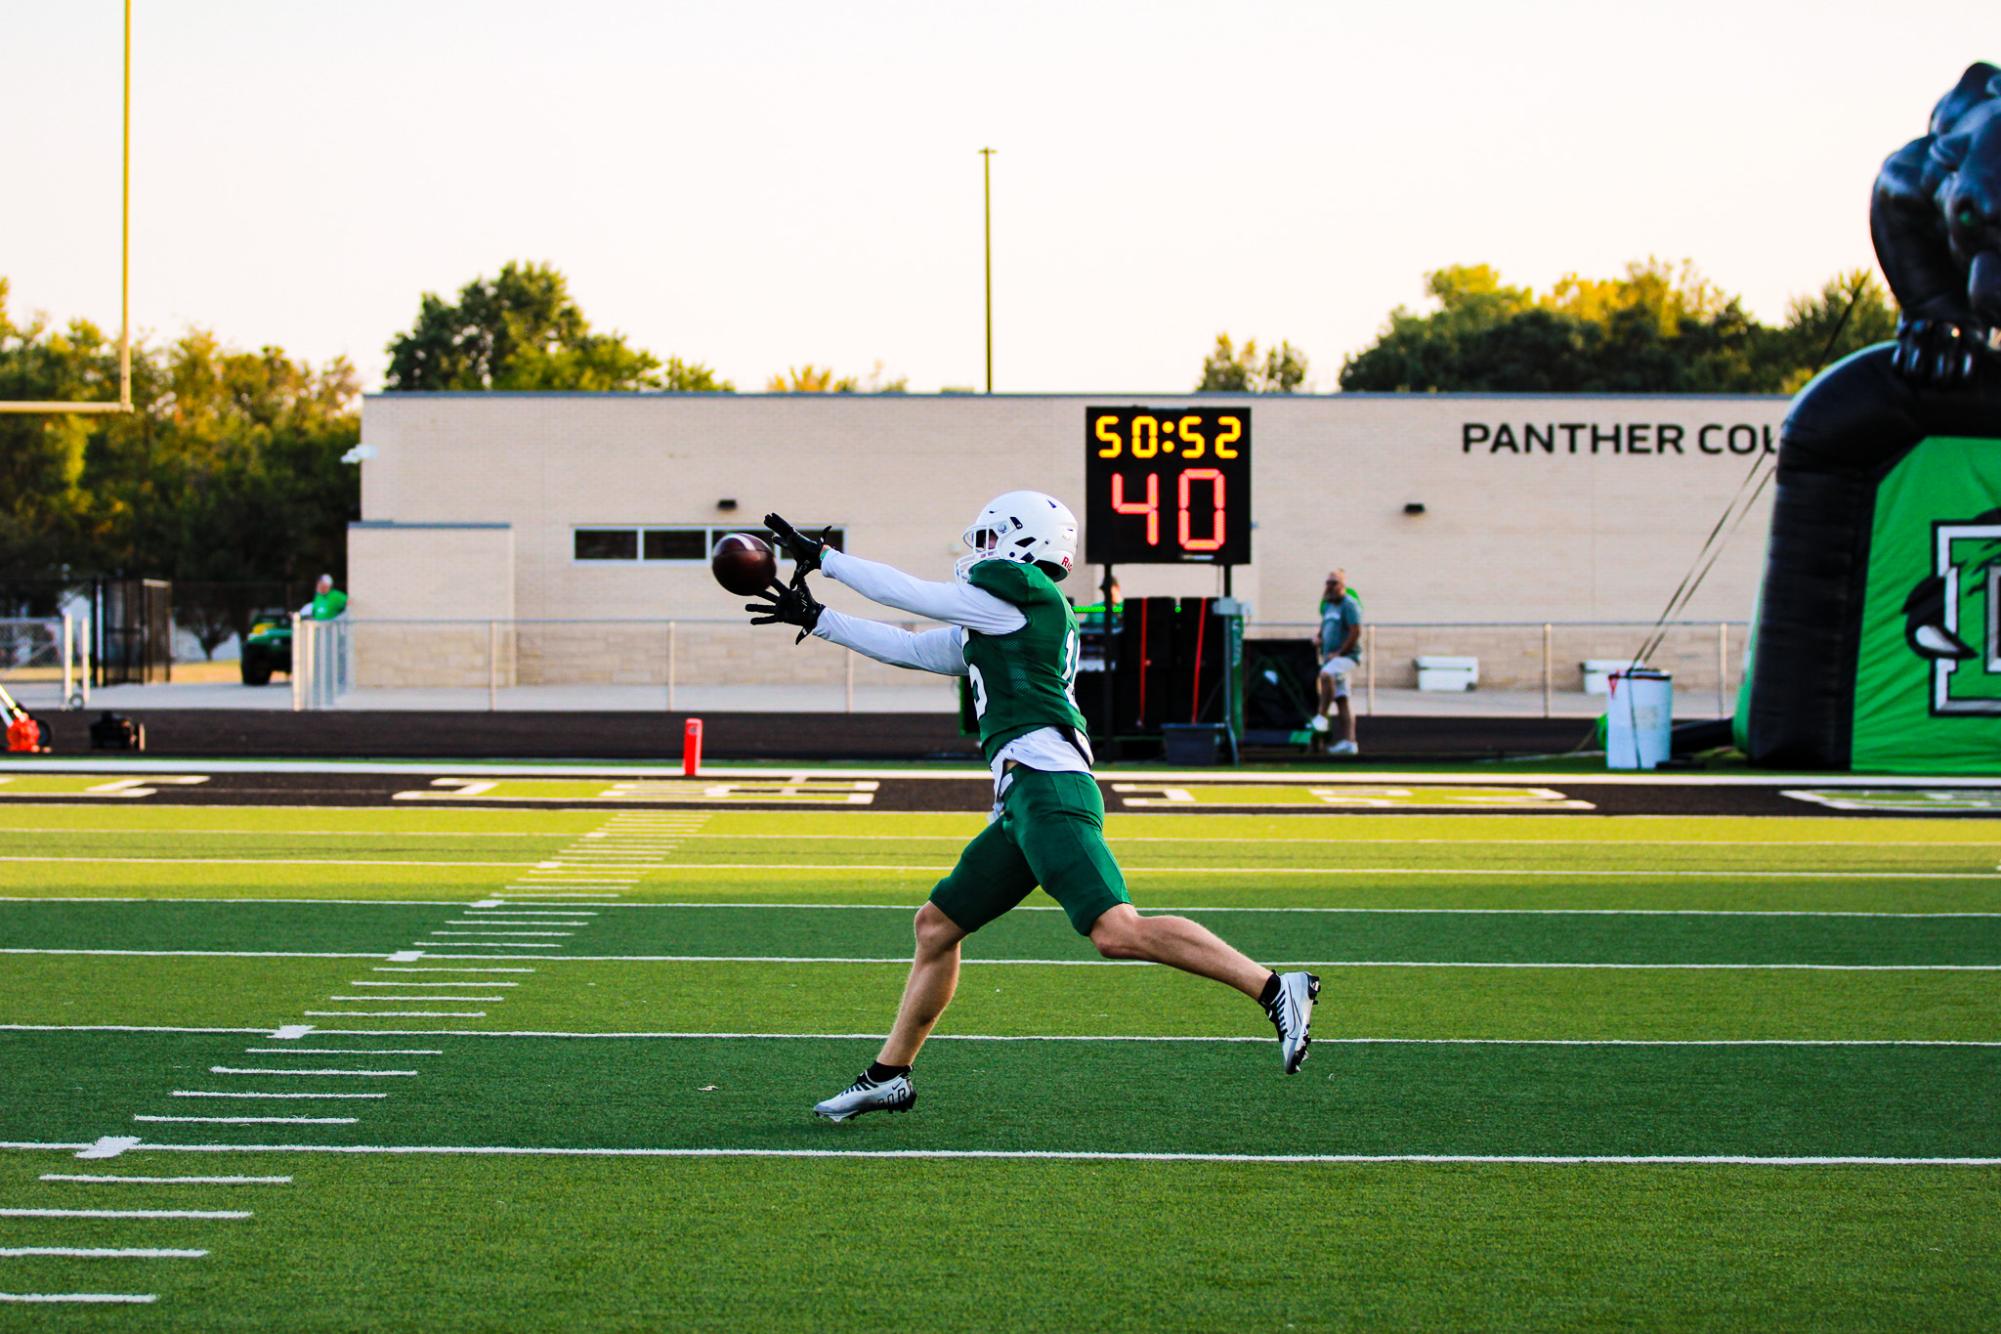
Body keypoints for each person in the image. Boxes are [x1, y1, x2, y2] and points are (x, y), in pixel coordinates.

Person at [744, 494, 1320, 1122]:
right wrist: (820, 617)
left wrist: (827, 559)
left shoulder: (1025, 596)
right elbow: (913, 648)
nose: (980, 553)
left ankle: (1273, 988)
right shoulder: (1002, 621)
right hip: (1022, 798)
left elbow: (914, 595)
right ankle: (890, 1074)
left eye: (992, 540)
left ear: (1024, 543)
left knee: (1115, 932)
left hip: (1049, 787)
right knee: (936, 927)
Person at [1313, 570, 1361, 757]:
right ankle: (1350, 742)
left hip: (1346, 657)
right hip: (1330, 656)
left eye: (1334, 583)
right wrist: (1318, 638)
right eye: (1328, 583)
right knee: (1342, 699)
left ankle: (1322, 715)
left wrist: (1340, 652)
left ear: (1343, 585)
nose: (1330, 587)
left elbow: (1355, 631)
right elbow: (1325, 627)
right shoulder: (1328, 605)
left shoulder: (1349, 605)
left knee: (1326, 674)